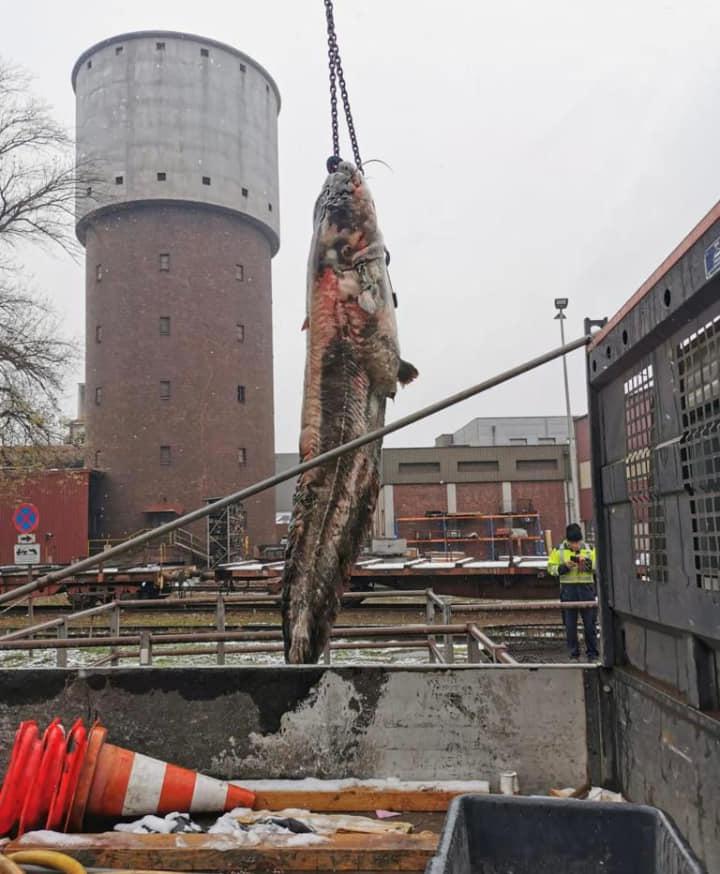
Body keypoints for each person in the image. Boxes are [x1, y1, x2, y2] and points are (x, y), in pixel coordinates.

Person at [547, 523, 598, 661]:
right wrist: (564, 567)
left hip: (586, 589)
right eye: (573, 543)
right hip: (568, 590)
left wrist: (586, 565)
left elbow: (597, 566)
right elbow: (551, 568)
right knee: (570, 626)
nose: (576, 546)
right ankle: (573, 654)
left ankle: (592, 653)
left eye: (577, 542)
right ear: (567, 540)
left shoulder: (589, 549)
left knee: (590, 625)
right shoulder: (558, 550)